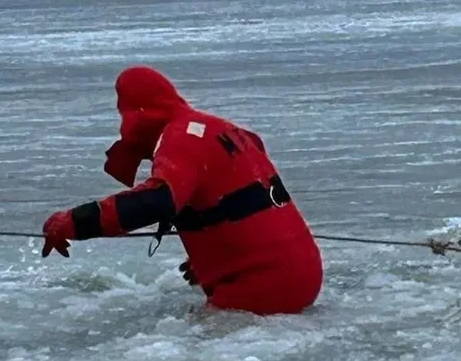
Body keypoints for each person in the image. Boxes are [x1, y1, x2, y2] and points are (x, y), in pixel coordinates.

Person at [40, 66, 323, 315]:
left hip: (260, 286)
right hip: (304, 274)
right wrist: (215, 255)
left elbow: (157, 201)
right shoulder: (222, 129)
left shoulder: (181, 138)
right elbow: (240, 197)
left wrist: (74, 222)